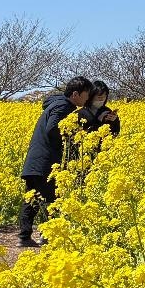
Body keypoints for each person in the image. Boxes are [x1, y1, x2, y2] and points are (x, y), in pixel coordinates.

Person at [18, 75, 93, 248]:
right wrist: (72, 135)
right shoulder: (63, 106)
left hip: (36, 160)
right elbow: (53, 128)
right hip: (46, 161)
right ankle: (47, 235)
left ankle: (24, 237)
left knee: (32, 197)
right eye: (86, 94)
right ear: (76, 94)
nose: (87, 98)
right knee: (52, 198)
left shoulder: (55, 104)